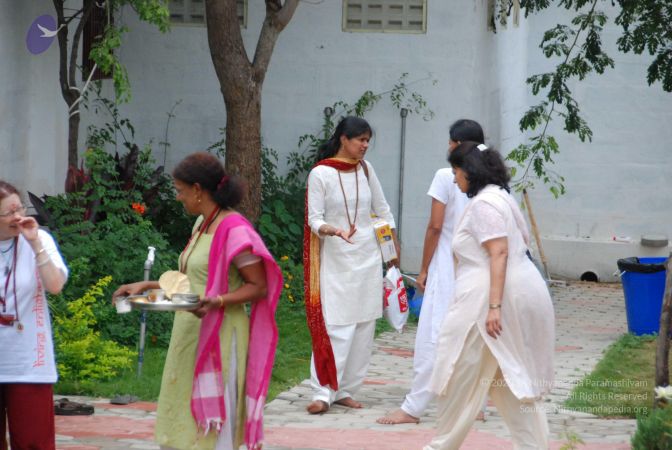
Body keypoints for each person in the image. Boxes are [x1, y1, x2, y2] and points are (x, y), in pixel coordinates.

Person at [113, 152, 282, 450]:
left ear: (198, 189)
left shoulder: (235, 229)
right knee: (181, 410)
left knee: (212, 429)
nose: (178, 197)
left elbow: (259, 287)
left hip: (221, 334)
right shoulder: (202, 225)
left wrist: (218, 300)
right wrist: (146, 286)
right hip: (190, 330)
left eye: (180, 191)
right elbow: (190, 280)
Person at [424, 142, 554, 450]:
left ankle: (440, 446)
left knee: (458, 376)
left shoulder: (485, 204)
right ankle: (533, 446)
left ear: (470, 171)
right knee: (508, 379)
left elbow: (499, 252)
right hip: (504, 295)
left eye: (456, 171)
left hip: (486, 305)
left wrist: (494, 307)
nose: (454, 178)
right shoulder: (500, 197)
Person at [377, 119, 484, 425]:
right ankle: (474, 403)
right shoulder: (493, 177)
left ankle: (413, 407)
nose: (448, 148)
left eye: (451, 142)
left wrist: (424, 269)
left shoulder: (445, 175)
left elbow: (435, 227)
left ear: (458, 145)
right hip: (481, 268)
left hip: (449, 266)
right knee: (471, 334)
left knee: (433, 335)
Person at [304, 116, 399, 414]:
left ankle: (345, 390)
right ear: (343, 139)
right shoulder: (320, 173)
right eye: (360, 139)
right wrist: (333, 230)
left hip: (368, 258)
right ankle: (323, 391)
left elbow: (382, 211)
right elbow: (314, 218)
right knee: (336, 324)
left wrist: (391, 250)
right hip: (336, 259)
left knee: (363, 326)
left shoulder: (366, 169)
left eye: (368, 140)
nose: (365, 145)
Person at [0, 180, 68, 450]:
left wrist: (35, 243)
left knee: (33, 443)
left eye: (20, 208)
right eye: (9, 213)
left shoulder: (40, 240)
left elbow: (56, 285)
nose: (18, 217)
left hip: (28, 361)